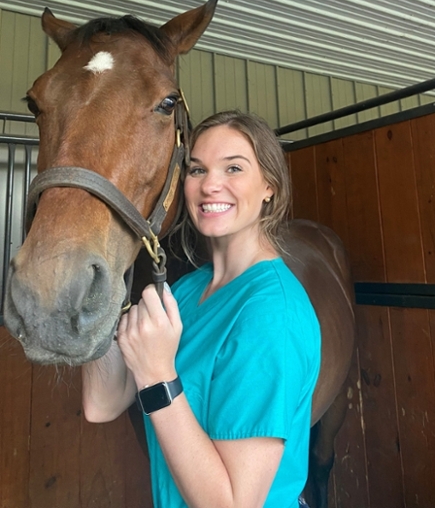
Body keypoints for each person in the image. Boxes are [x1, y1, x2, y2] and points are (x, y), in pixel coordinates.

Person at [82, 110, 321, 508]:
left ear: (269, 187)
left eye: (233, 168)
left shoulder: (271, 317)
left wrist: (158, 375)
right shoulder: (187, 290)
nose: (211, 185)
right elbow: (101, 404)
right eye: (197, 170)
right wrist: (100, 281)